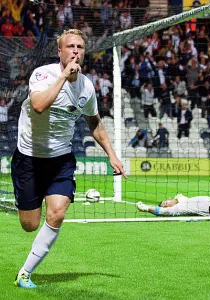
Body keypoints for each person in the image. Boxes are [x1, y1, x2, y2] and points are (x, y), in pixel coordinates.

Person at [12, 29, 127, 289]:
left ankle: (25, 273)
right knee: (30, 224)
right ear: (60, 51)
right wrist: (64, 77)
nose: (76, 51)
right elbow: (39, 105)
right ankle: (28, 203)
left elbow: (94, 122)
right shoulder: (43, 75)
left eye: (80, 47)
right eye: (71, 46)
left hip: (61, 160)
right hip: (29, 158)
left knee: (56, 214)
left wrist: (112, 154)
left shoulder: (87, 86)